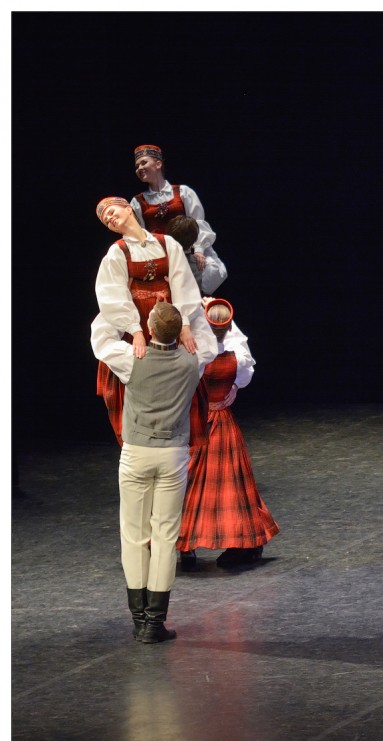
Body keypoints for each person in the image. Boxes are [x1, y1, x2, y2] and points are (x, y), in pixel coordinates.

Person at [92, 302, 217, 643]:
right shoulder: (194, 358)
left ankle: (140, 620)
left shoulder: (132, 357)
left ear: (150, 329)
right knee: (165, 537)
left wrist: (124, 313)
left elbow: (100, 337)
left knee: (134, 535)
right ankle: (154, 624)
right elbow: (208, 340)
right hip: (172, 454)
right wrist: (194, 317)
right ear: (179, 332)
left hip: (137, 452)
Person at [93, 196, 210, 447]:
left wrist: (185, 324)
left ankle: (179, 448)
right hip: (139, 319)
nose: (110, 219)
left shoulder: (167, 243)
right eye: (105, 220)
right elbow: (112, 293)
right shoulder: (118, 252)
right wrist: (135, 330)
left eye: (111, 212)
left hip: (169, 316)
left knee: (181, 373)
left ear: (128, 209)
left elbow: (182, 283)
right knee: (144, 380)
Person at [178, 298, 281, 567]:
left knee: (189, 483)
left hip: (198, 421)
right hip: (223, 422)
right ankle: (245, 541)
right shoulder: (236, 357)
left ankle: (185, 544)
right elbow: (244, 373)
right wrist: (232, 388)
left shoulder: (196, 356)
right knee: (232, 487)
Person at [130, 144, 227, 293]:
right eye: (137, 166)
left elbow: (198, 222)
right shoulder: (138, 202)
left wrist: (199, 250)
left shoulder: (183, 192)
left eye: (144, 163)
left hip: (188, 254)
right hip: (162, 259)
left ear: (158, 164)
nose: (139, 168)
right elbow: (140, 234)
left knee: (193, 294)